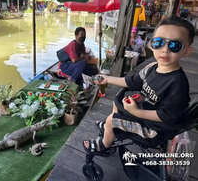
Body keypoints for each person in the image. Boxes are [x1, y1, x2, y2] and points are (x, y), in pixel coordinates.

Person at [83, 16, 194, 154]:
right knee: (117, 103)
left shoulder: (177, 83)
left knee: (112, 119)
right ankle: (109, 127)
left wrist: (137, 112)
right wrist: (107, 79)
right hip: (143, 113)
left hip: (155, 129)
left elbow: (167, 116)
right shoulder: (151, 67)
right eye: (159, 42)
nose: (165, 50)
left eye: (174, 45)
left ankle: (104, 145)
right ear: (151, 45)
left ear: (187, 51)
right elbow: (130, 82)